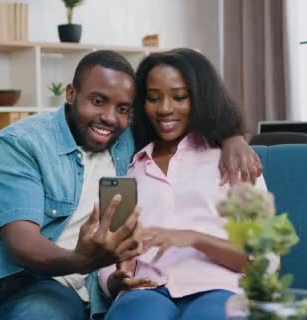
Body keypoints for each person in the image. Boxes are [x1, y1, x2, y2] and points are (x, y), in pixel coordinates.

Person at [0, 50, 261, 320]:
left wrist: (232, 137)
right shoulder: (23, 143)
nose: (109, 117)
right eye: (97, 101)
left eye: (123, 108)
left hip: (55, 286)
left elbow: (180, 96)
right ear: (71, 93)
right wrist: (84, 260)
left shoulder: (128, 143)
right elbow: (23, 243)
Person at [99, 48, 275, 320]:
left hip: (219, 287)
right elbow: (114, 258)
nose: (165, 108)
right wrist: (117, 279)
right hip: (146, 291)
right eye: (153, 98)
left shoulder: (233, 161)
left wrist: (194, 238)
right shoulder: (130, 168)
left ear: (200, 98)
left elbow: (261, 261)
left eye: (179, 97)